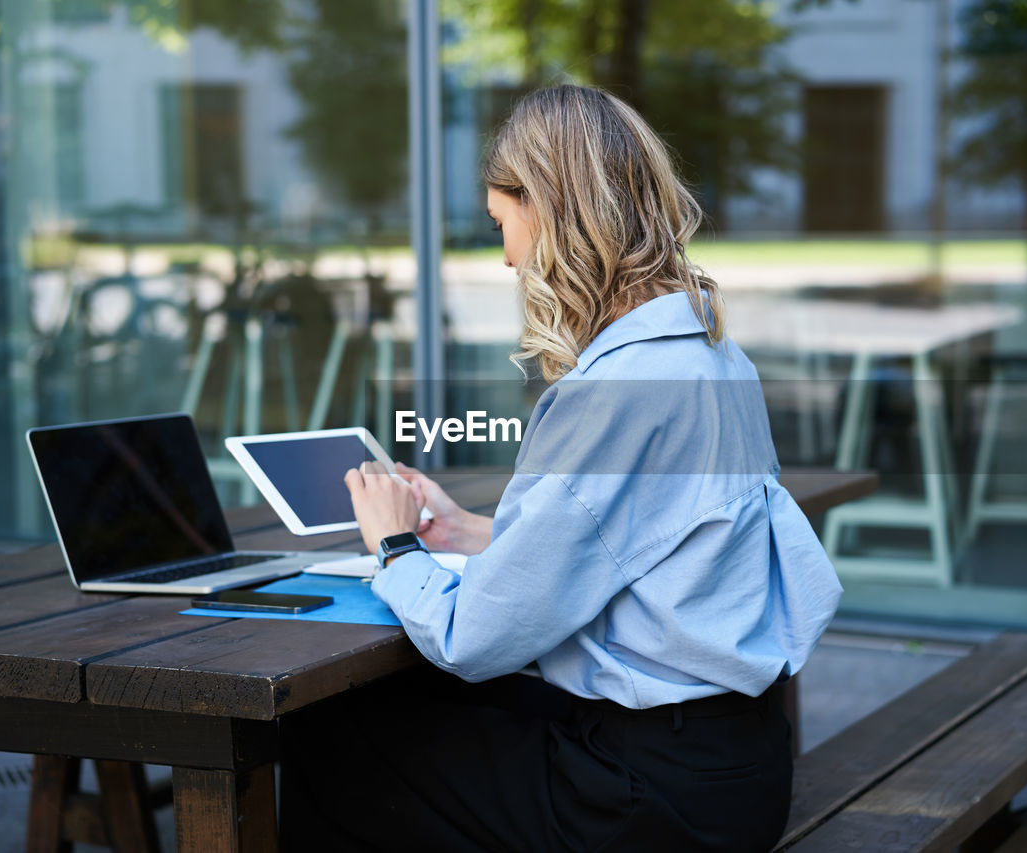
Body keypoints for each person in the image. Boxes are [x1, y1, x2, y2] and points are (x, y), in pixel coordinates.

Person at [278, 84, 842, 852]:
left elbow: (473, 637)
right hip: (735, 767)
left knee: (332, 742)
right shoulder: (714, 356)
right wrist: (472, 530)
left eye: (502, 223)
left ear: (548, 210)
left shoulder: (614, 391)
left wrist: (395, 546)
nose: (507, 255)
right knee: (430, 719)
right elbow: (633, 543)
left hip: (648, 800)